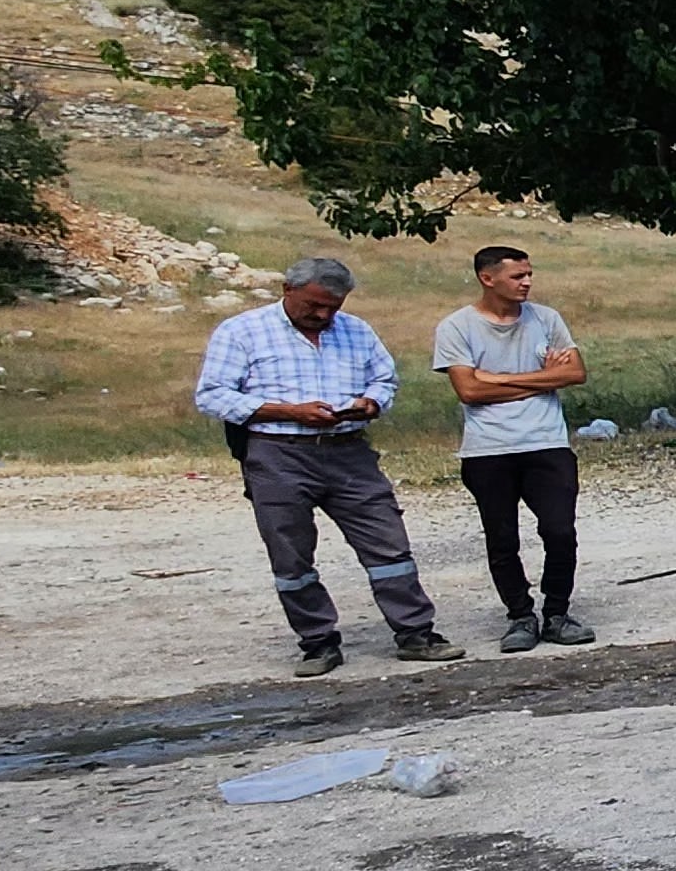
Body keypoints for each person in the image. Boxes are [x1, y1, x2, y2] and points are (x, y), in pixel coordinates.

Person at [192, 255, 466, 676]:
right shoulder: (242, 331)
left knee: (387, 540)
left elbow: (384, 379)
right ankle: (317, 642)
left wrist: (371, 403)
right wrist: (286, 411)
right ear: (288, 290)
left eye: (332, 307)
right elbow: (212, 395)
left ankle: (416, 634)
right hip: (276, 452)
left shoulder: (356, 331)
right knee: (290, 551)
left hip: (348, 450)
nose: (323, 315)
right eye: (314, 305)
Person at [432, 244, 591, 652]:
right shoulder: (457, 327)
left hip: (547, 443)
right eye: (517, 276)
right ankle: (520, 614)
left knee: (560, 531)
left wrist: (495, 380)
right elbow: (467, 390)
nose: (527, 282)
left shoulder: (547, 319)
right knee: (502, 537)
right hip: (488, 448)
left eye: (529, 274)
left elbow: (574, 372)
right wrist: (540, 377)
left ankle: (557, 612)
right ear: (488, 278)